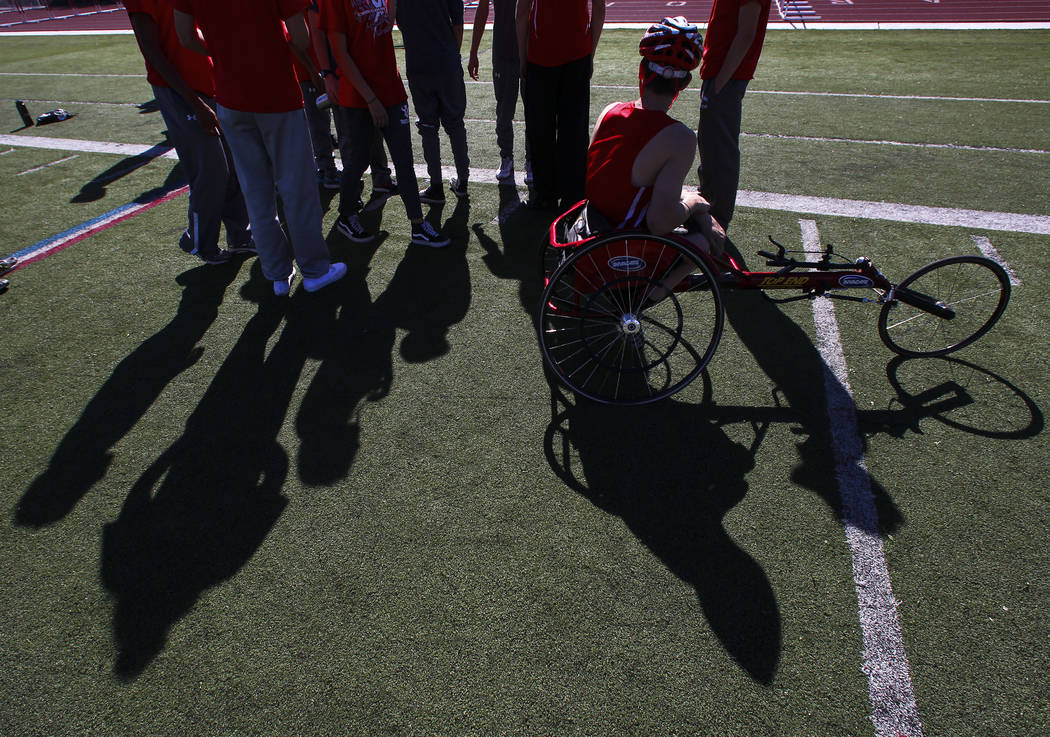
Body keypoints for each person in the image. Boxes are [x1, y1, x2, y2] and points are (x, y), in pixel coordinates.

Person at [172, 0, 346, 296]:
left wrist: (224, 50)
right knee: (296, 189)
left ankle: (277, 273)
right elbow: (300, 38)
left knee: (256, 192)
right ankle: (315, 269)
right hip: (276, 93)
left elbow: (186, 36)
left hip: (230, 95)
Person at [584, 16, 725, 297]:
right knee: (704, 242)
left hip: (595, 223)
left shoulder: (610, 110)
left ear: (641, 70)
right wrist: (693, 204)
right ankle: (641, 299)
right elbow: (659, 222)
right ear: (683, 83)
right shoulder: (680, 138)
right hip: (623, 242)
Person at [123, 0, 254, 266]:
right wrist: (194, 102)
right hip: (181, 93)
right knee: (211, 169)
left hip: (210, 83)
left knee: (233, 163)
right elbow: (152, 51)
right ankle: (200, 241)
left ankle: (240, 236)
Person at [319, 0, 450, 247]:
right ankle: (346, 215)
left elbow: (386, 24)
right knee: (357, 160)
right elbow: (340, 53)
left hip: (391, 89)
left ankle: (417, 223)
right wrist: (370, 99)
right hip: (358, 96)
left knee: (404, 160)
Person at [516, 0, 605, 211]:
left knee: (541, 130)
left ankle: (546, 195)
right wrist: (590, 53)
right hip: (577, 54)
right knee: (574, 131)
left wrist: (523, 56)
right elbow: (599, 10)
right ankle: (573, 196)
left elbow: (522, 13)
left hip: (541, 55)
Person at [696, 0, 772, 230]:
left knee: (720, 148)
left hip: (726, 76)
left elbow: (746, 33)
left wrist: (721, 81)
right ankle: (708, 201)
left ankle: (717, 215)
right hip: (720, 74)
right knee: (710, 142)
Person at [393, 0, 470, 204]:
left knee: (428, 126)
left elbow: (399, 22)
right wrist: (451, 54)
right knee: (455, 124)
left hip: (419, 63)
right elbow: (458, 26)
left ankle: (436, 186)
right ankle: (463, 181)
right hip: (446, 61)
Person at [466, 0, 529, 183]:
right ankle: (506, 157)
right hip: (504, 50)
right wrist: (473, 51)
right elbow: (483, 8)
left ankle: (531, 159)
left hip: (528, 47)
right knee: (504, 111)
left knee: (534, 110)